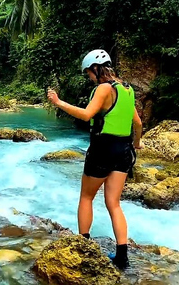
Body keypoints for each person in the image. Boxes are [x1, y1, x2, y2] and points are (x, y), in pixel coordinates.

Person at [47, 49, 143, 270]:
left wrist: (59, 102)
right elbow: (137, 123)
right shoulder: (127, 90)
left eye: (89, 73)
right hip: (124, 151)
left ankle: (83, 247)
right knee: (114, 203)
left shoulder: (103, 88)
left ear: (95, 69)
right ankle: (122, 257)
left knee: (86, 197)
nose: (89, 77)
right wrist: (137, 143)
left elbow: (87, 114)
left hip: (102, 149)